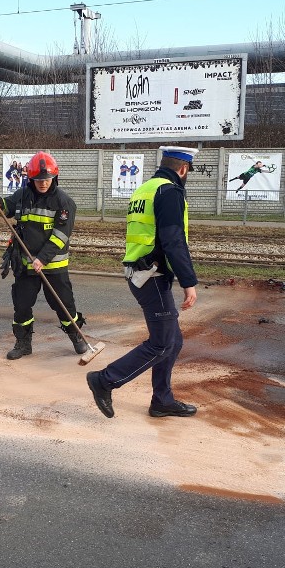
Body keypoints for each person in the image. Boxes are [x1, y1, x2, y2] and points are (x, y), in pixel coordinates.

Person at [86, 146, 200, 419]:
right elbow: (174, 241)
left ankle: (162, 400)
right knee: (162, 343)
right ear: (183, 169)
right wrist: (189, 282)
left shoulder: (146, 189)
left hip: (140, 271)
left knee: (173, 340)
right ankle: (105, 380)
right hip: (152, 275)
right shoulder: (169, 192)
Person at [0, 151, 88, 359]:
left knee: (64, 304)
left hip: (54, 266)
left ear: (54, 178)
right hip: (26, 265)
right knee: (22, 305)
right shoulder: (23, 195)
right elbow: (6, 207)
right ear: (31, 179)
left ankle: (76, 336)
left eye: (47, 179)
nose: (43, 183)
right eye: (38, 180)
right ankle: (23, 343)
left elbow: (60, 236)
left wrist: (42, 259)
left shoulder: (64, 203)